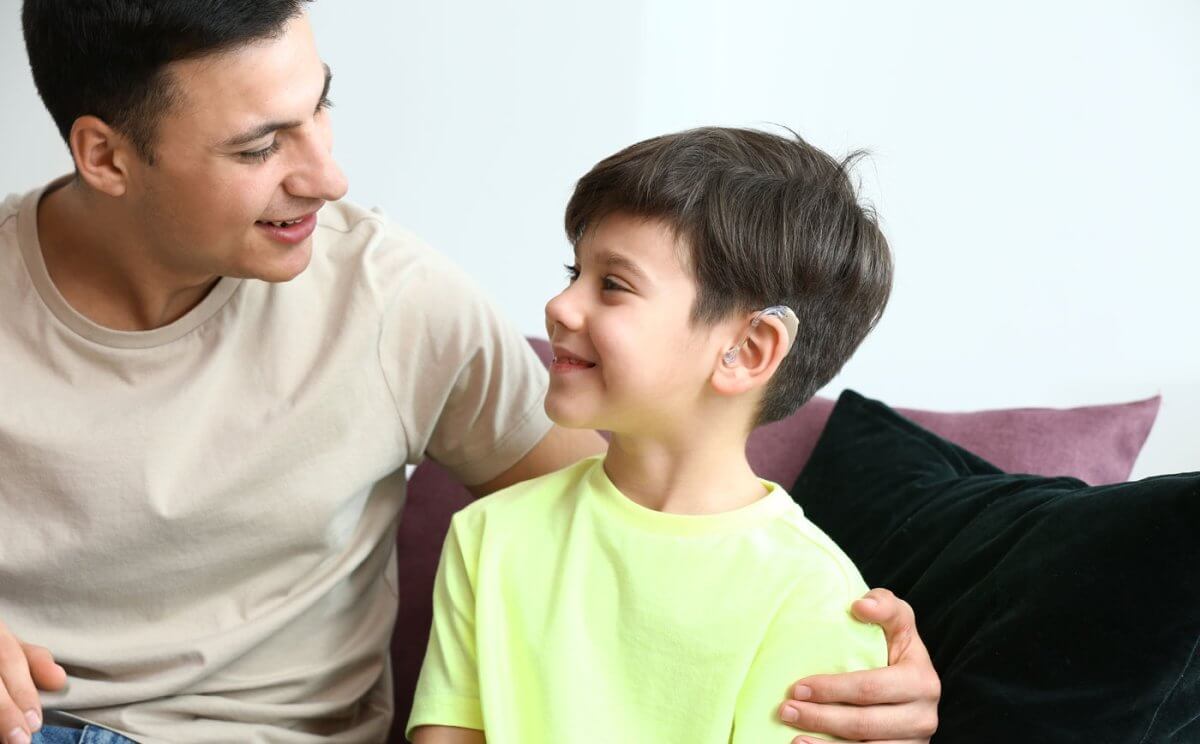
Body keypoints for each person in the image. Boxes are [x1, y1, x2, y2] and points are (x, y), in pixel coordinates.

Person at [0, 2, 940, 743]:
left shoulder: (395, 303)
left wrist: (861, 656)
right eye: (260, 146)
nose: (329, 175)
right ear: (105, 154)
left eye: (322, 103)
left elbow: (639, 507)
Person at [407, 127, 900, 743]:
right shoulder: (489, 536)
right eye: (574, 271)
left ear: (747, 350)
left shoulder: (813, 596)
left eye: (613, 284)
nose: (560, 305)